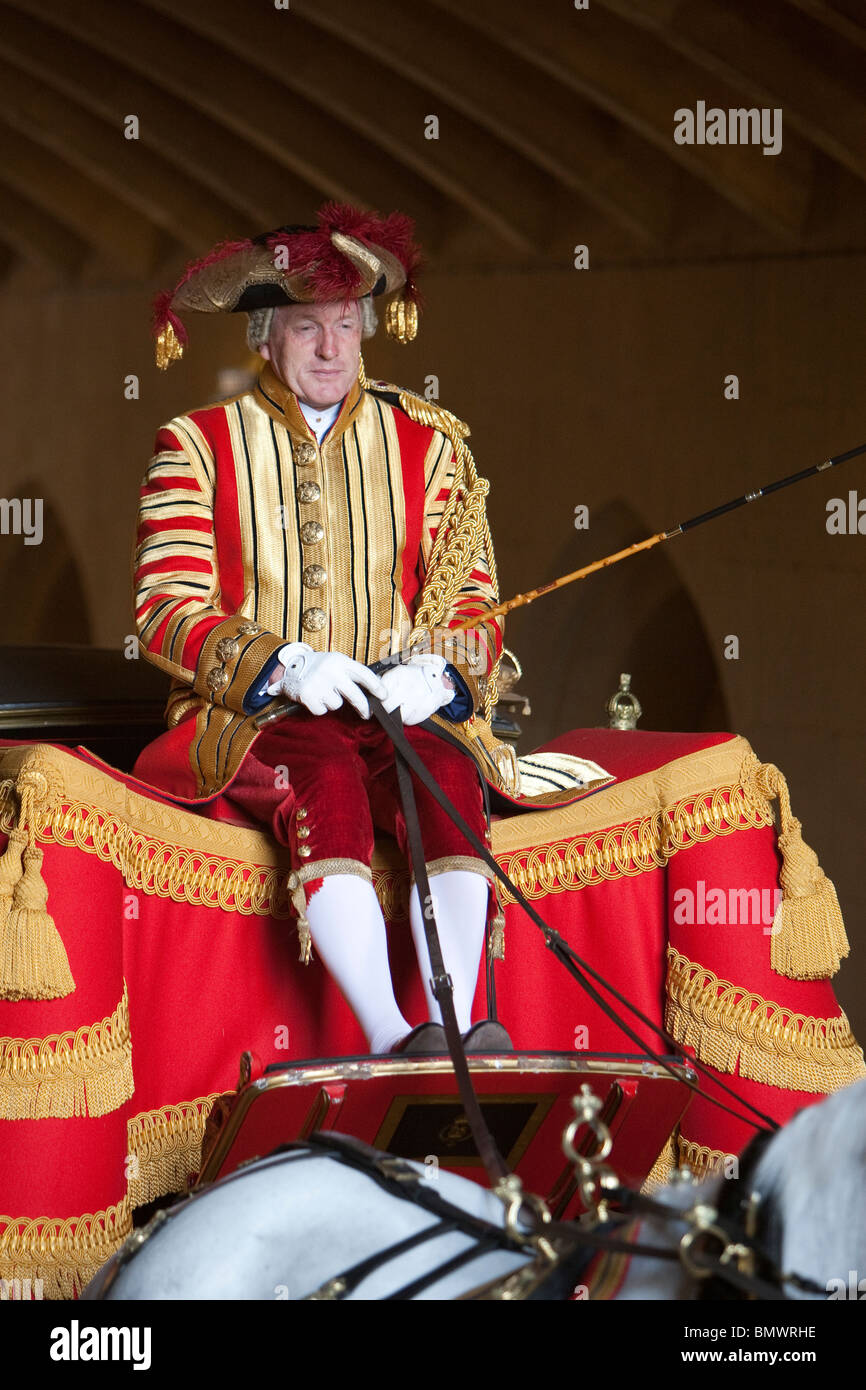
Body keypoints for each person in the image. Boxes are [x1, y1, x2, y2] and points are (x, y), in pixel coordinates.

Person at [134, 203, 516, 1056]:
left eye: (346, 325)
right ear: (266, 336)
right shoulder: (195, 444)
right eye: (309, 327)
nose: (333, 348)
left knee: (449, 776)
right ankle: (388, 1034)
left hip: (395, 709)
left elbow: (473, 598)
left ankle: (458, 1028)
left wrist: (441, 673)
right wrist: (284, 666)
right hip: (257, 716)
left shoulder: (429, 445)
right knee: (327, 776)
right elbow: (165, 610)